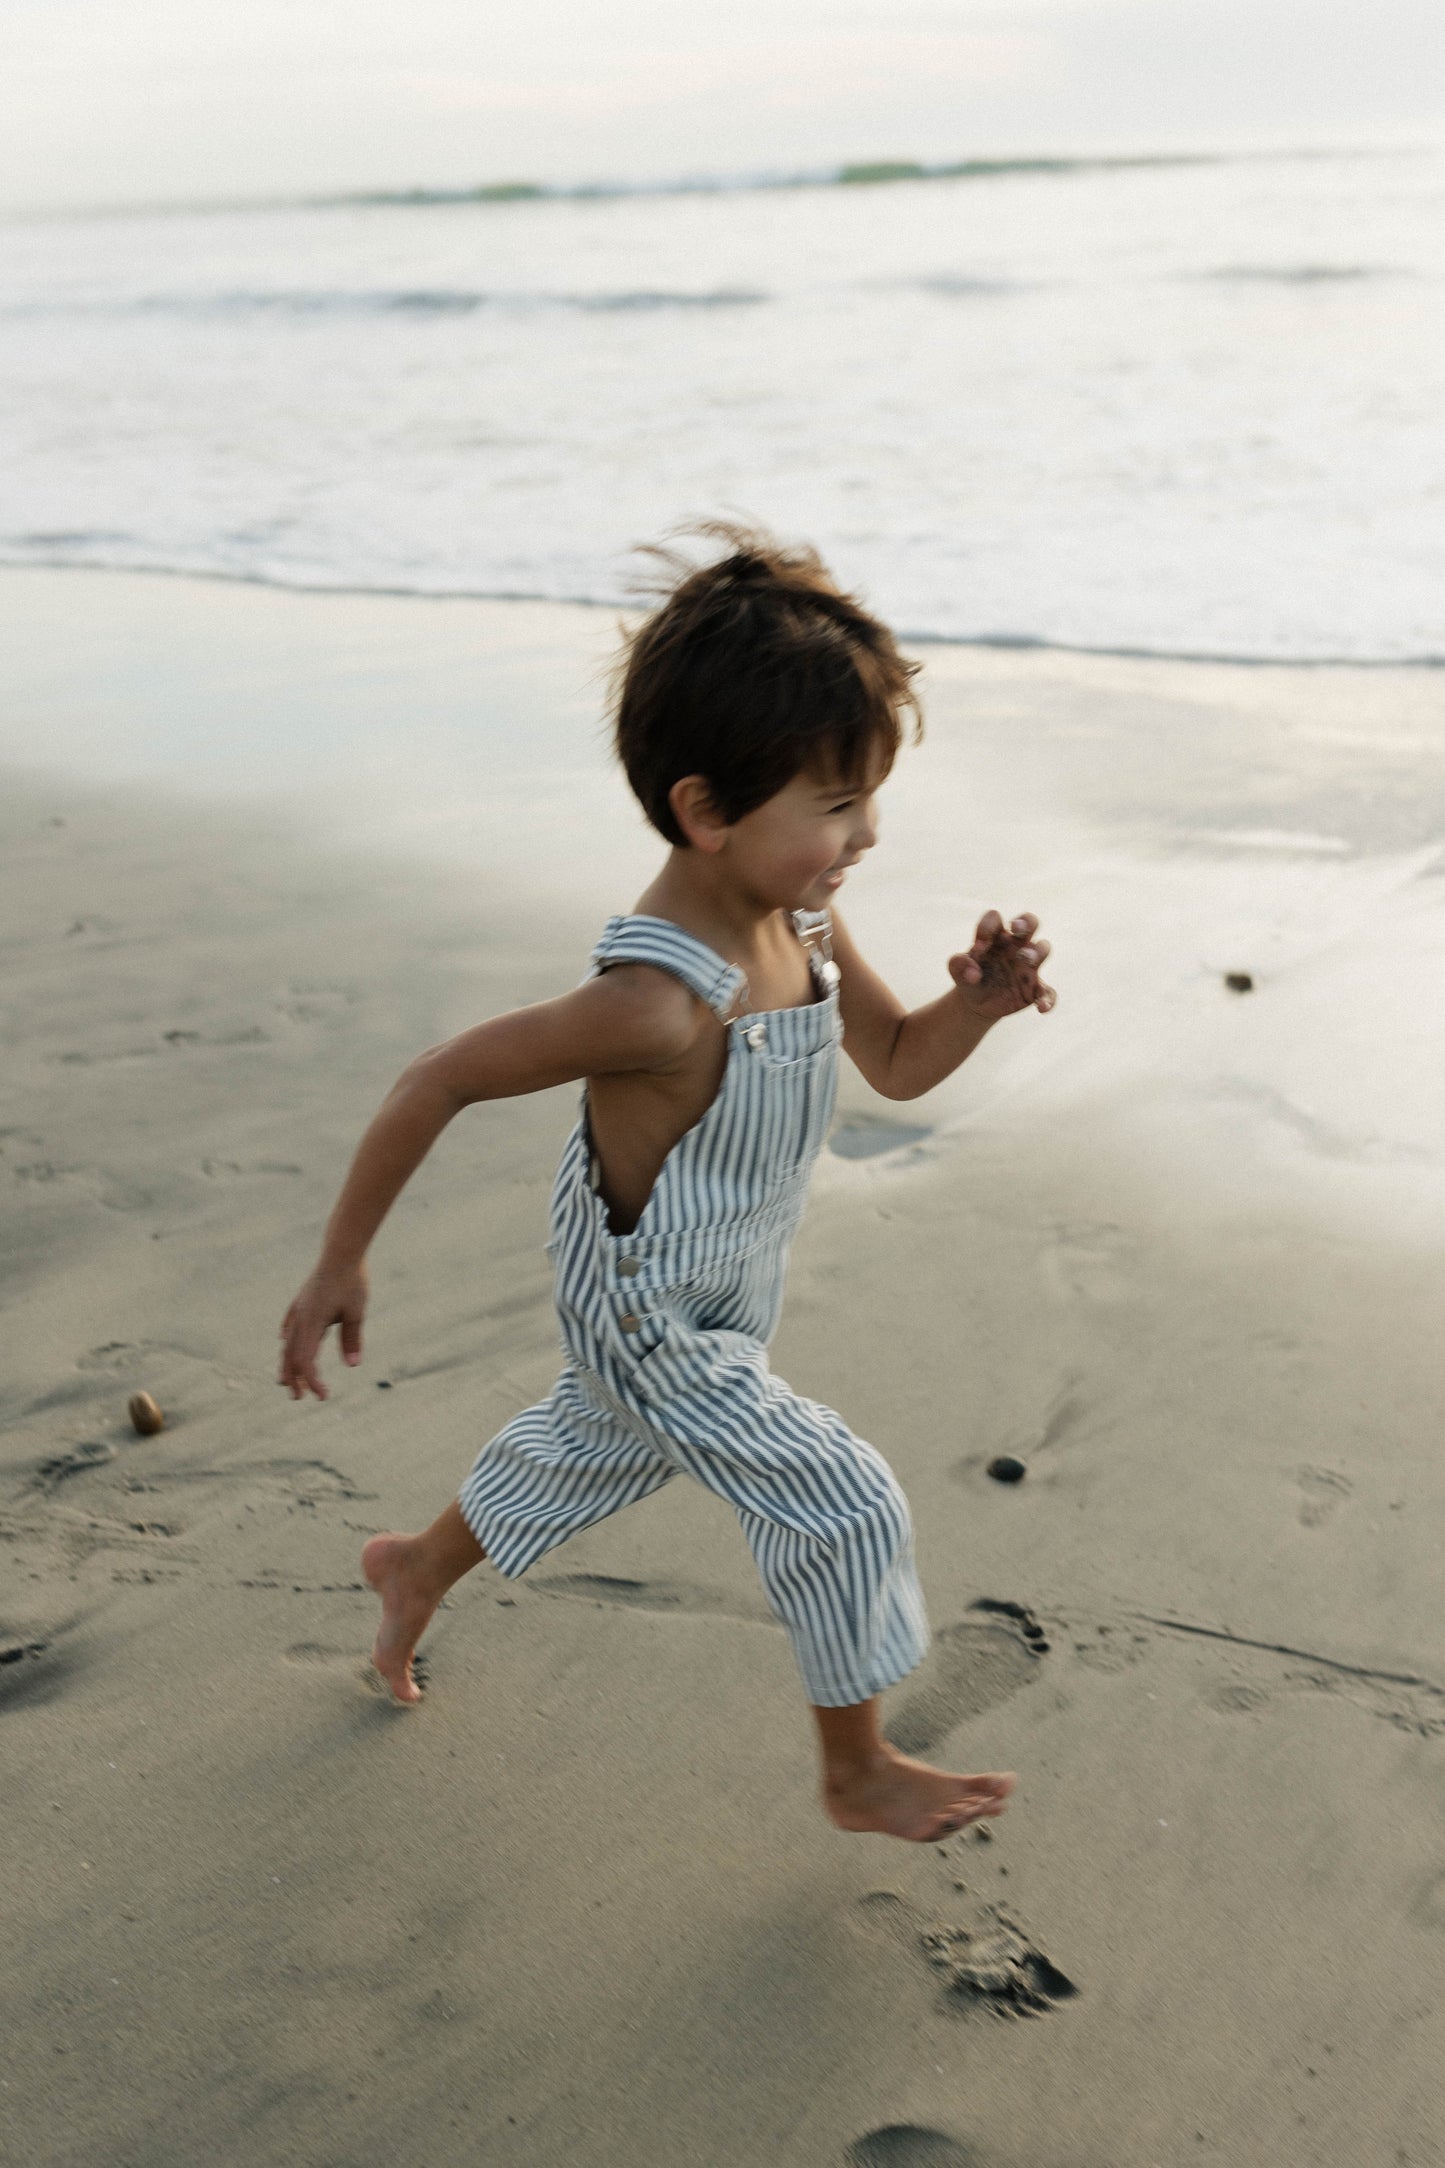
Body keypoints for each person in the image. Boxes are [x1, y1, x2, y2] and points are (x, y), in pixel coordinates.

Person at [278, 527, 1055, 1843]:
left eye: (869, 798)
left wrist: (973, 1006)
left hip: (725, 1289)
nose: (863, 835)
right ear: (705, 813)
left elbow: (898, 1060)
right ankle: (853, 1769)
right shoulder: (651, 1001)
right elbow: (437, 1077)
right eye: (834, 806)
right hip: (648, 1313)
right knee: (840, 1495)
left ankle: (412, 1571)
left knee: (588, 1450)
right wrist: (340, 1261)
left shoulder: (801, 920)